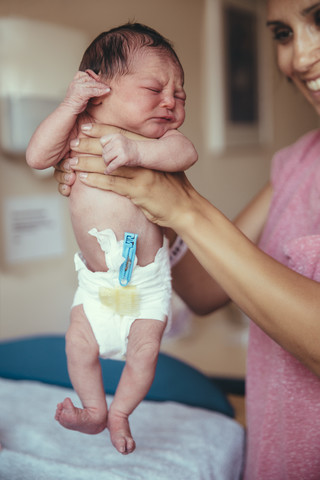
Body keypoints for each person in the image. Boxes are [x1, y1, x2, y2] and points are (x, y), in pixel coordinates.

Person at [54, 0, 320, 478]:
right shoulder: (297, 163)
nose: (298, 57)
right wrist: (143, 204)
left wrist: (181, 204)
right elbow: (202, 291)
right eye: (283, 33)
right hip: (273, 456)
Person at [26, 23, 197, 455]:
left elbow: (185, 153)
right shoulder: (77, 130)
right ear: (97, 90)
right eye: (155, 88)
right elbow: (36, 157)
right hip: (97, 285)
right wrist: (69, 106)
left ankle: (120, 412)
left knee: (144, 354)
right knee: (77, 344)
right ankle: (94, 409)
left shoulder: (157, 140)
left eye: (180, 96)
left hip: (144, 284)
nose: (170, 102)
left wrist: (140, 152)